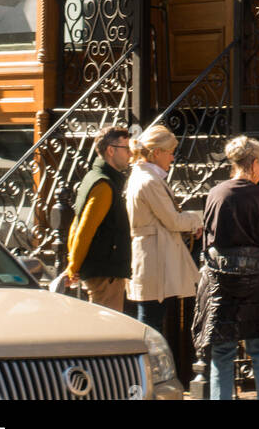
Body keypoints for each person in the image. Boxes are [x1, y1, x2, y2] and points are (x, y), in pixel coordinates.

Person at [192, 135, 259, 400]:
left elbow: (209, 239)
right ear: (254, 163)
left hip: (223, 283)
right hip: (257, 281)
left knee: (222, 353)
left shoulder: (215, 193)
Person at [125, 124, 203, 346]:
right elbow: (173, 220)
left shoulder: (144, 177)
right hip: (154, 259)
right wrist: (196, 220)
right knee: (152, 325)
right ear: (156, 152)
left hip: (154, 256)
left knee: (153, 321)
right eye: (170, 152)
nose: (172, 157)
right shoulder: (148, 180)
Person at [64, 124, 132, 312]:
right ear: (111, 150)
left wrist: (74, 263)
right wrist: (73, 266)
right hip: (104, 274)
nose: (130, 154)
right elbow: (85, 229)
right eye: (126, 149)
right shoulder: (103, 185)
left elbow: (76, 225)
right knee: (107, 332)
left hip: (102, 271)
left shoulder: (94, 178)